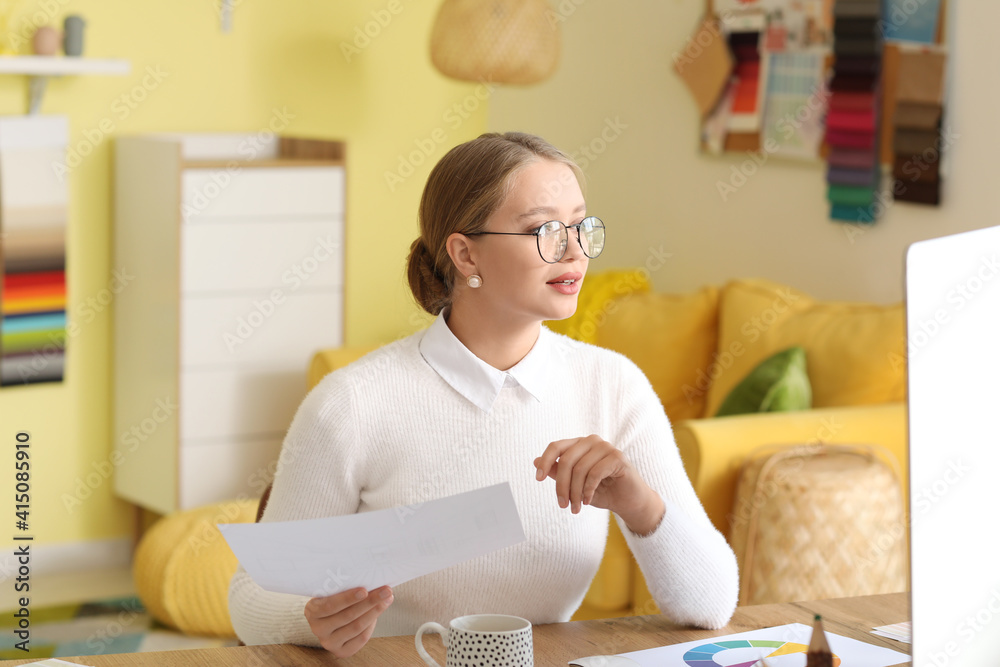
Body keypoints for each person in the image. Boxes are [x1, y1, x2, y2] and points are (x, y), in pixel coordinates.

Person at [228, 131, 738, 656]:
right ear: (465, 255)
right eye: (543, 229)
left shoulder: (612, 385)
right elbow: (249, 599)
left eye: (579, 226)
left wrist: (639, 502)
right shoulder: (352, 404)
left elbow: (711, 604)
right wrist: (311, 619)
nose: (574, 250)